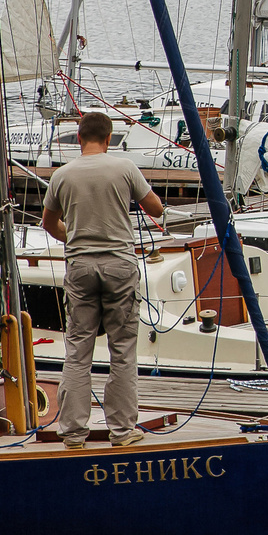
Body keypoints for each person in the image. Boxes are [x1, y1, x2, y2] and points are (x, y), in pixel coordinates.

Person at [42, 110, 165, 447]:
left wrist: (78, 235)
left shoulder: (61, 176)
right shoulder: (124, 167)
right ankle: (123, 431)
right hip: (119, 268)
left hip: (80, 268)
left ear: (79, 138)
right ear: (109, 139)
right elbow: (155, 209)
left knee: (78, 350)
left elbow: (49, 225)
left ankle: (72, 433)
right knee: (122, 350)